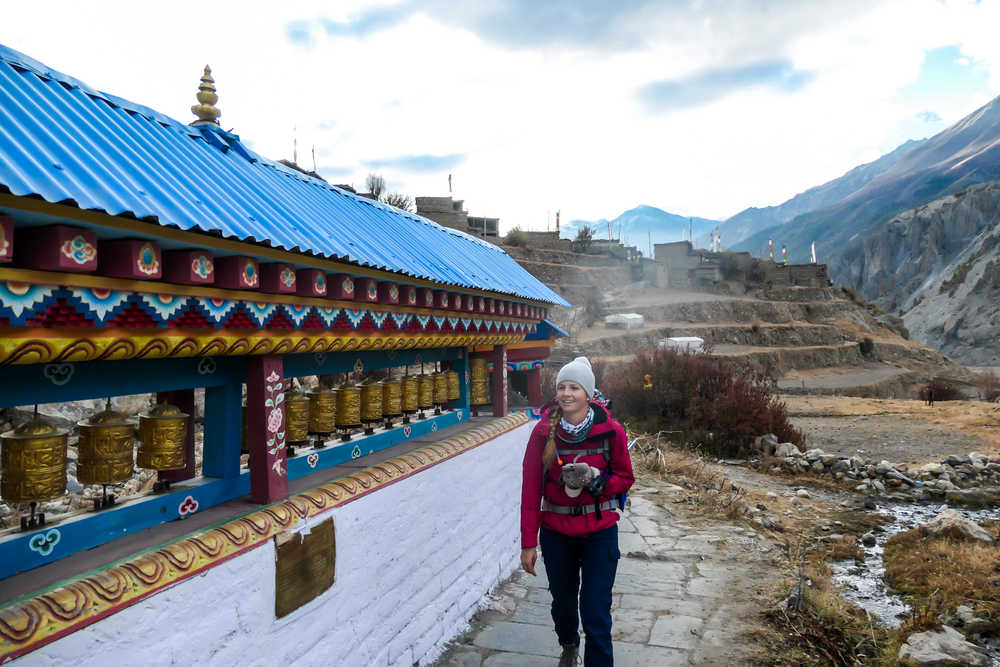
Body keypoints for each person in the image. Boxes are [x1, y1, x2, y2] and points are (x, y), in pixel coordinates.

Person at [520, 356, 634, 667]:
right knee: (564, 604)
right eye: (561, 387)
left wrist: (600, 483)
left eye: (574, 387)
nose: (566, 393)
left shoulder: (611, 431)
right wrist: (528, 542)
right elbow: (531, 490)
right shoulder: (543, 433)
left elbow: (626, 478)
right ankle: (569, 645)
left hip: (600, 533)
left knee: (596, 611)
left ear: (589, 394)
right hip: (557, 534)